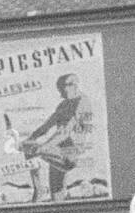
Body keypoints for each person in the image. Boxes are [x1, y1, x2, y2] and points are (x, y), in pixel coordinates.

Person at [22, 73, 95, 202]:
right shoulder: (63, 105)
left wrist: (43, 147)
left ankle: (39, 190)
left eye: (62, 88)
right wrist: (31, 137)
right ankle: (40, 191)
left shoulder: (83, 103)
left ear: (74, 85)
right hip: (57, 152)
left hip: (70, 154)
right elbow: (47, 125)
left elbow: (65, 132)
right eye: (59, 88)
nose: (60, 92)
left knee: (32, 149)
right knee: (57, 195)